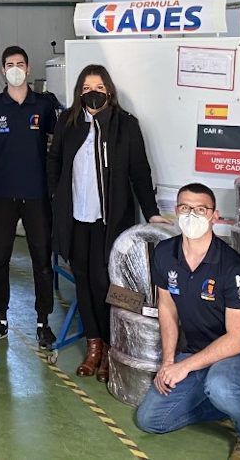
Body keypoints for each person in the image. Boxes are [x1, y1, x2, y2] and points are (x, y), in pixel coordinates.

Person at [135, 184, 240, 460]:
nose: (191, 215)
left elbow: (238, 339)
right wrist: (169, 362)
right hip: (198, 353)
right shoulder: (164, 253)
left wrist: (184, 367)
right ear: (176, 212)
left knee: (220, 385)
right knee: (151, 420)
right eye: (185, 208)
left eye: (200, 209)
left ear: (214, 216)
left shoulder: (232, 268)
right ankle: (236, 403)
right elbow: (167, 308)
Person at [47, 64, 163, 383]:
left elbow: (140, 172)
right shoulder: (68, 122)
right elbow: (54, 160)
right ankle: (93, 346)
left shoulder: (125, 126)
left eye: (98, 86)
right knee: (82, 282)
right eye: (85, 88)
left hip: (110, 221)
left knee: (106, 283)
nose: (92, 93)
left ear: (109, 90)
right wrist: (55, 194)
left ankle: (113, 349)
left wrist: (151, 212)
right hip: (76, 219)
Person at [0, 46, 61, 348]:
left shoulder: (45, 106)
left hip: (37, 194)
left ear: (28, 68)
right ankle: (0, 320)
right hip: (1, 194)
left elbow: (56, 141)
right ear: (2, 70)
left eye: (20, 64)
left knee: (41, 260)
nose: (14, 68)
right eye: (9, 64)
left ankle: (43, 322)